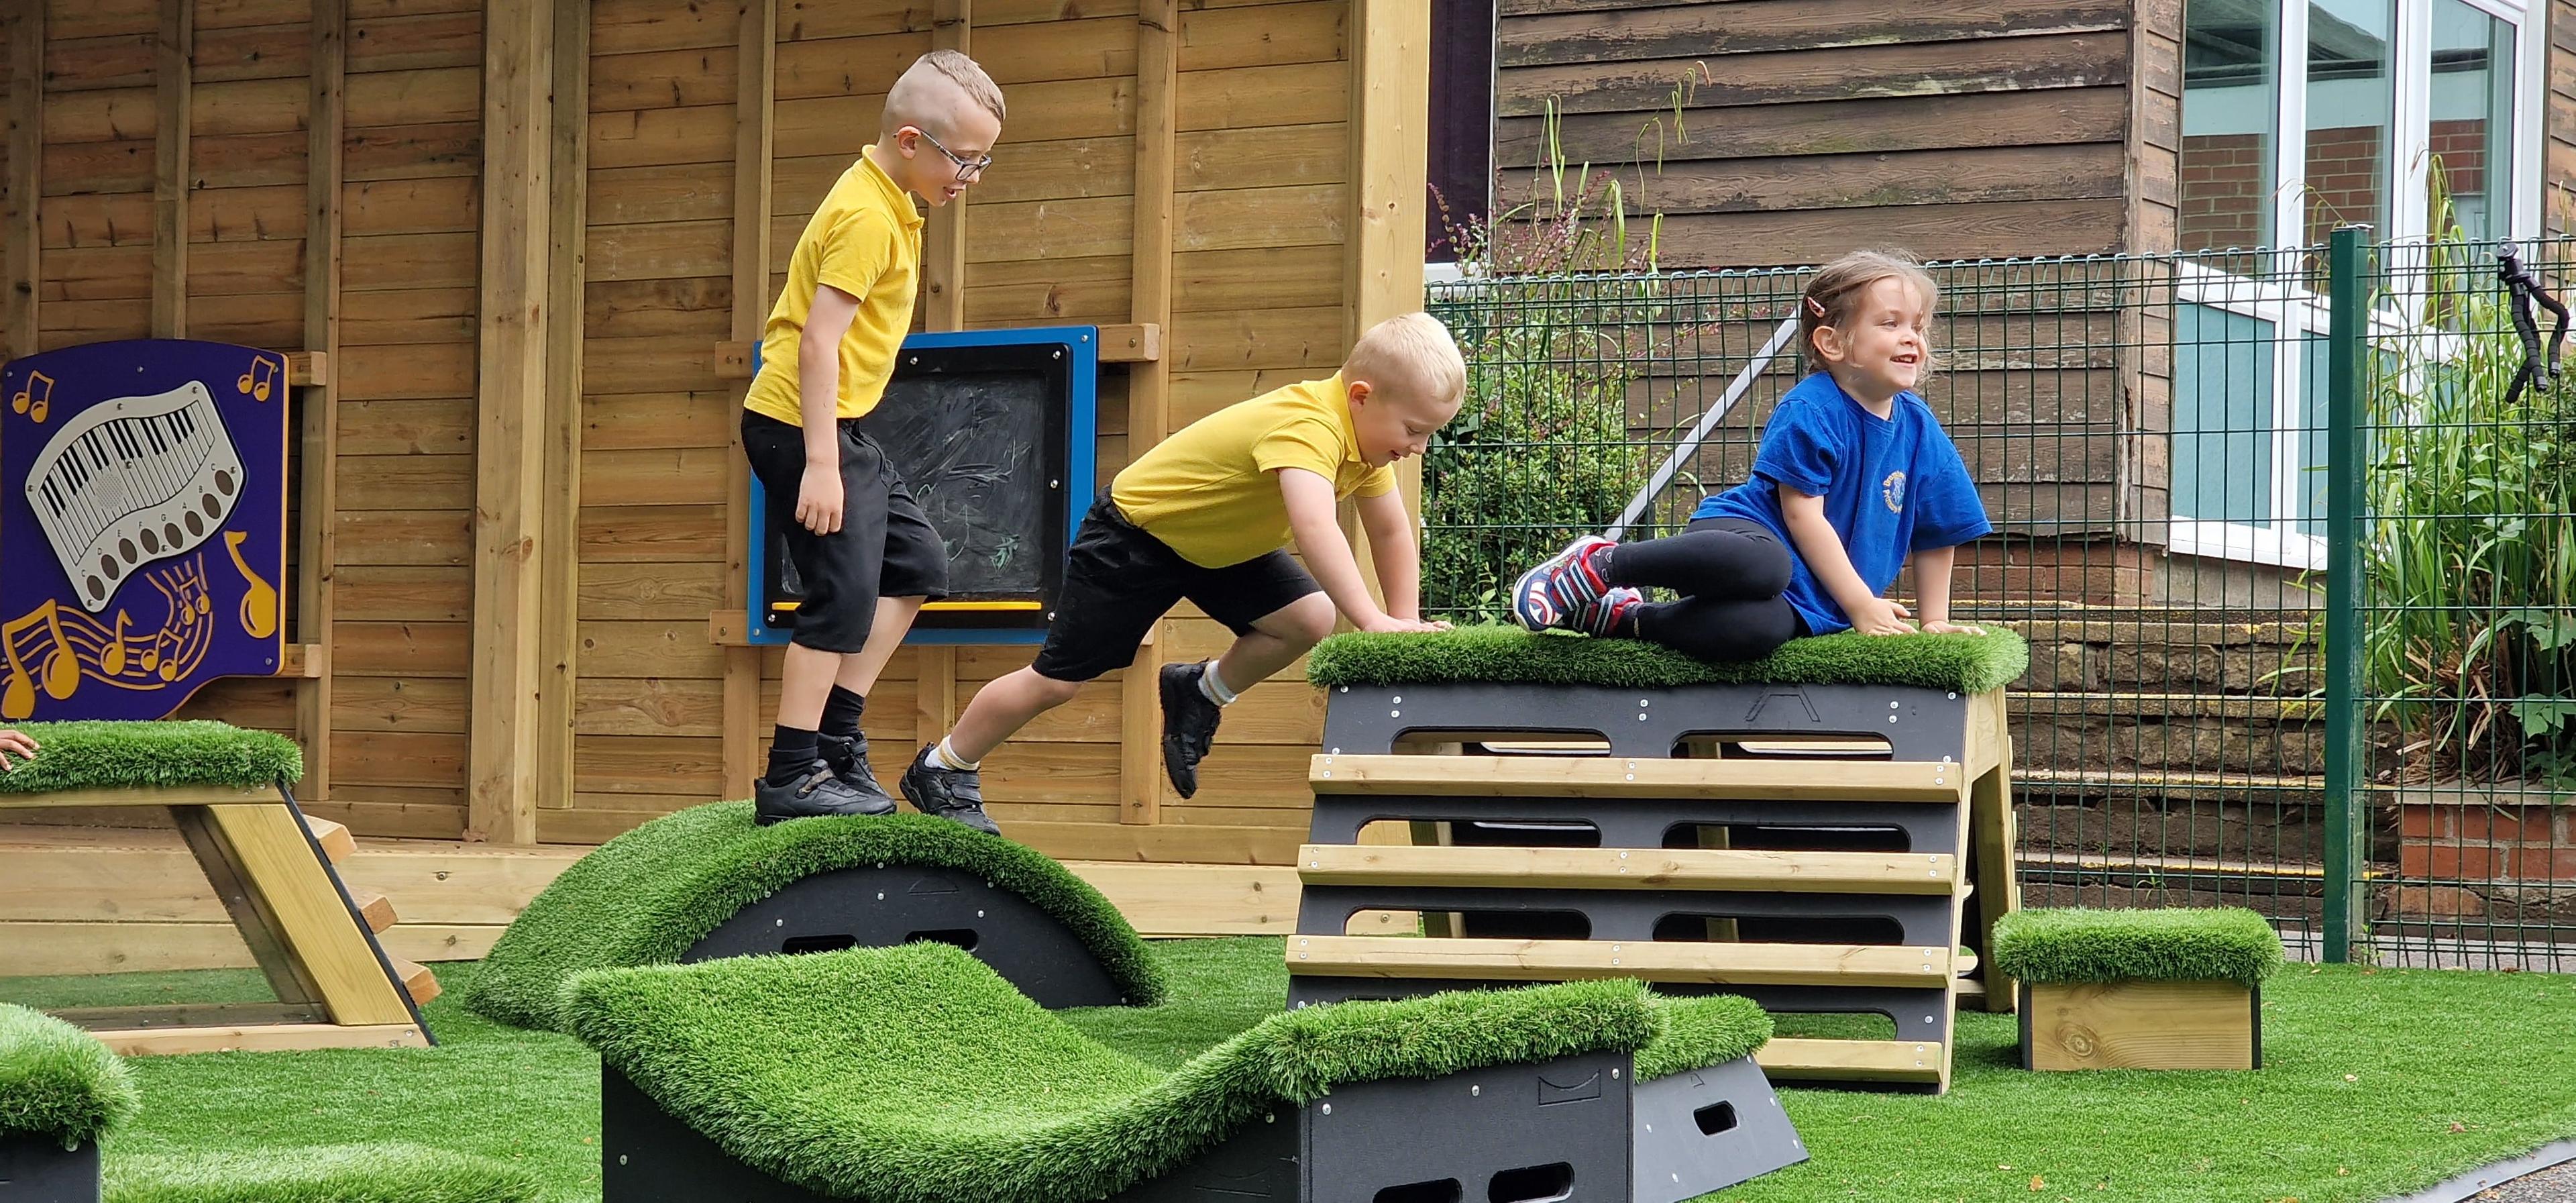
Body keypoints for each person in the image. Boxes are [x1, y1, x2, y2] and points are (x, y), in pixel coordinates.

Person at [905, 313, 1467, 826]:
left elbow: (1391, 529)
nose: (1418, 447)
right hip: (1136, 535)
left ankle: (1201, 690)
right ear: (1361, 397)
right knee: (1056, 683)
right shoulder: (1309, 425)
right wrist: (1371, 620)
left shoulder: (1366, 448)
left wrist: (1405, 622)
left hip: (1214, 545)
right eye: (1414, 430)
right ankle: (944, 763)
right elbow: (1317, 527)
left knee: (1309, 617)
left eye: (1428, 435)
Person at [739, 50, 1007, 828]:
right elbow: (817, 344)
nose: (973, 175)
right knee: (842, 596)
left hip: (834, 426)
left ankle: (834, 734)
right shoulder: (864, 214)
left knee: (916, 560)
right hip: (798, 427)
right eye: (964, 158)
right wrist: (822, 463)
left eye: (984, 159)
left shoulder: (894, 201)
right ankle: (793, 771)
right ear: (913, 141)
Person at [1510, 249, 1990, 660]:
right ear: (1832, 342)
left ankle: (1625, 618)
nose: (1913, 338)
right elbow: (1802, 516)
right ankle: (1600, 565)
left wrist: (1935, 620)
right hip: (1745, 538)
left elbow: (1937, 529)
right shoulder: (1813, 407)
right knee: (1766, 567)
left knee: (1755, 630)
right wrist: (1862, 603)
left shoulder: (1919, 428)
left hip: (1808, 596)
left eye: (1919, 327)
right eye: (1891, 323)